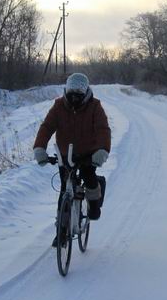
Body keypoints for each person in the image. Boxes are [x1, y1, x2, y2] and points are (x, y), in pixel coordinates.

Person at [33, 73, 111, 246]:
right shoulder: (59, 106)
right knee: (65, 190)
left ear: (86, 92)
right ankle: (61, 231)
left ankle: (94, 206)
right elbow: (47, 127)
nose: (74, 96)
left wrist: (102, 150)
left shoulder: (94, 106)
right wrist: (40, 148)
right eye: (71, 92)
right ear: (66, 90)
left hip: (88, 154)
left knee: (89, 179)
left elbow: (103, 130)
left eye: (79, 93)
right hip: (65, 155)